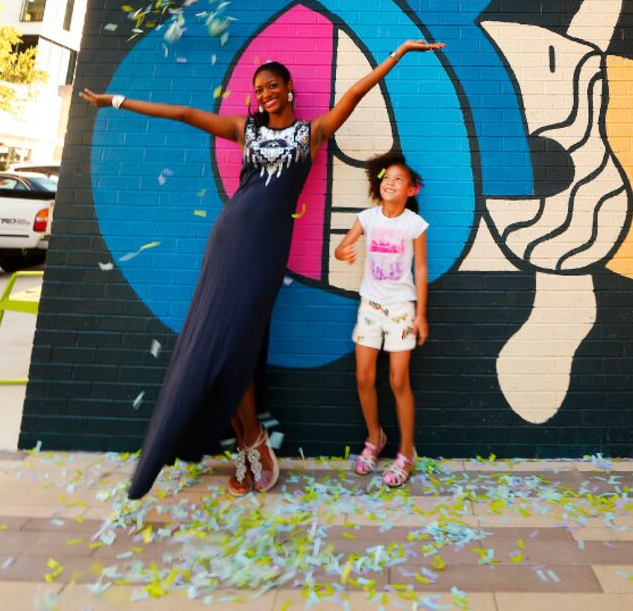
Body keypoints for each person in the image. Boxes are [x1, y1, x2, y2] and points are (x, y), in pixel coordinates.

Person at [79, 38, 442, 499]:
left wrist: (397, 54)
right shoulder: (244, 130)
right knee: (221, 346)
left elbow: (353, 95)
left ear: (289, 88)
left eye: (273, 85)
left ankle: (253, 444)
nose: (266, 93)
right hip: (228, 241)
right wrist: (116, 101)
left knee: (239, 345)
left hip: (265, 251)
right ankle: (251, 444)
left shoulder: (311, 133)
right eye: (259, 89)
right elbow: (185, 115)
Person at [334, 151, 428, 488]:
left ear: (411, 190)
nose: (390, 182)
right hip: (370, 308)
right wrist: (342, 251)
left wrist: (420, 314)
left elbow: (420, 268)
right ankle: (375, 439)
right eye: (386, 178)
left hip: (402, 309)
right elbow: (343, 245)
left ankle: (406, 452)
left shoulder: (414, 224)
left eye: (398, 179)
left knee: (399, 381)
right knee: (363, 377)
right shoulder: (368, 217)